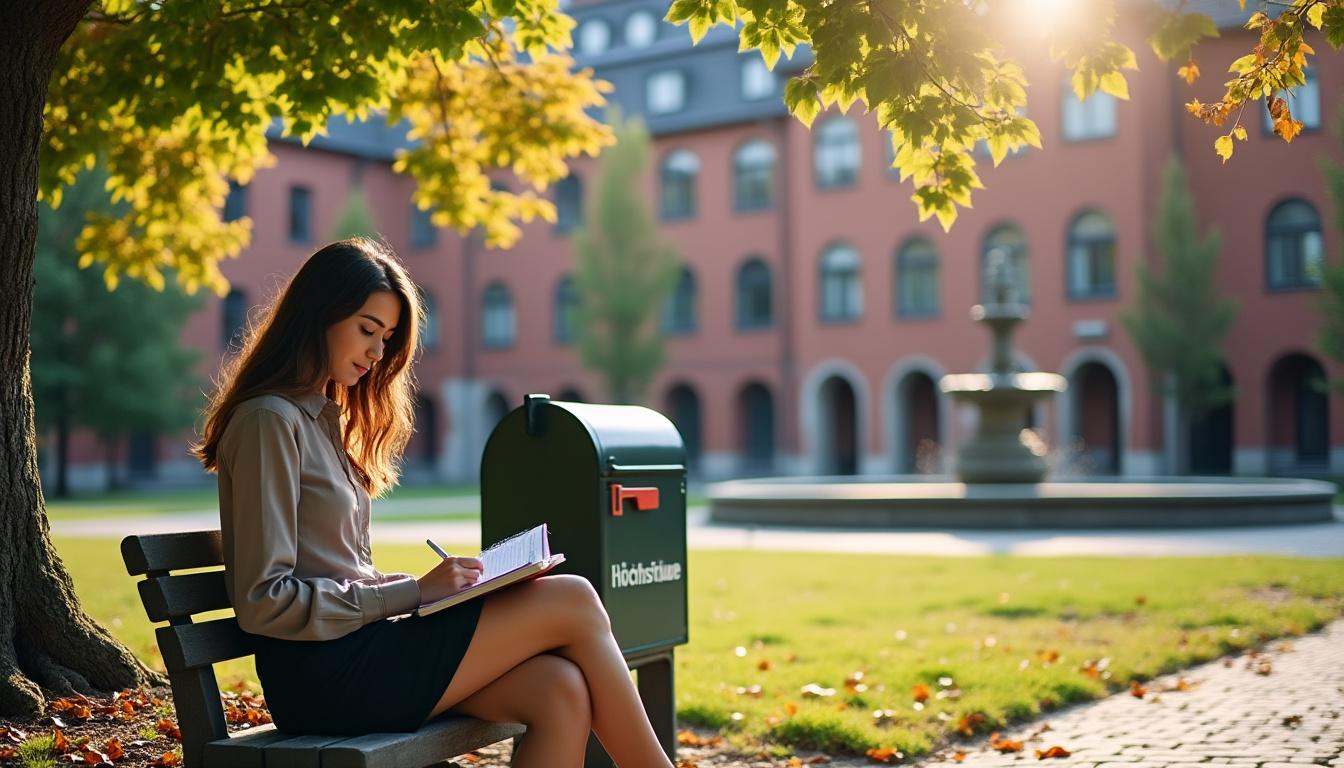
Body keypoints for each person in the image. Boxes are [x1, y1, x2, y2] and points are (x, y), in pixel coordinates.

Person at [193, 238, 675, 768]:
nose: (378, 353)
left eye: (388, 337)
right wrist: (410, 592)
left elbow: (335, 568)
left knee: (559, 689)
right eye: (367, 329)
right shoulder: (270, 422)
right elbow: (266, 600)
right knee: (574, 598)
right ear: (318, 317)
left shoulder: (322, 419)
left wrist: (438, 593)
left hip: (361, 650)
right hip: (323, 676)